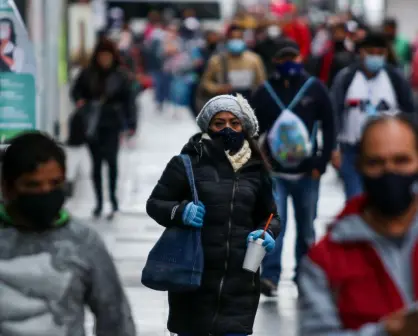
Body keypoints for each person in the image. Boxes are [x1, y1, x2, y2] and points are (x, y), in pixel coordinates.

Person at [146, 94, 281, 336]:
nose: (227, 128)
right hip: (193, 281)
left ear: (244, 127)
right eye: (219, 123)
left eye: (234, 122)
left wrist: (267, 232)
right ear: (208, 125)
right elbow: (156, 203)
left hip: (240, 285)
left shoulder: (256, 169)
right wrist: (180, 212)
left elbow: (271, 216)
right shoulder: (186, 162)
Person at [0, 131, 136, 335]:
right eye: (33, 185)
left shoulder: (83, 242)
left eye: (55, 183)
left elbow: (114, 319)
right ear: (7, 188)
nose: (45, 192)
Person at [299, 114, 418, 335]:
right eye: (376, 163)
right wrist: (387, 332)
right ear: (359, 166)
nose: (389, 171)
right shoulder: (325, 261)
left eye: (401, 160)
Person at [250, 38, 336, 296]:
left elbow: (330, 125)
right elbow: (253, 130)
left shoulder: (315, 88)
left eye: (293, 57)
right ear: (275, 61)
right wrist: (257, 164)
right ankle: (271, 277)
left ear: (301, 58)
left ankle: (305, 276)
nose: (289, 63)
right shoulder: (264, 91)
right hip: (275, 173)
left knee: (307, 227)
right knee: (276, 226)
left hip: (307, 172)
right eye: (283, 58)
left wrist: (322, 160)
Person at [331, 31, 415, 201]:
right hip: (352, 150)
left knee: (386, 199)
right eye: (371, 53)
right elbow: (334, 113)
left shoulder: (394, 78)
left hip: (387, 151)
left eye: (380, 53)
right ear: (361, 53)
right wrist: (334, 148)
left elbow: (410, 111)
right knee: (355, 199)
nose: (375, 57)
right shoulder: (347, 78)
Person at [71, 38, 135, 219]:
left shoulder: (121, 75)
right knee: (96, 164)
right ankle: (99, 202)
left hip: (112, 123)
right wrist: (80, 102)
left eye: (107, 56)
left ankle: (113, 200)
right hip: (93, 124)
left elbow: (129, 101)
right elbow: (76, 91)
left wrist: (131, 124)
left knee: (112, 162)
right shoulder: (87, 73)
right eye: (102, 56)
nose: (104, 59)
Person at [200, 25, 266, 103]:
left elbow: (262, 83)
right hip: (225, 103)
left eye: (239, 38)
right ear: (227, 39)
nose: (236, 41)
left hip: (248, 102)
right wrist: (217, 88)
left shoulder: (254, 59)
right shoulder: (217, 60)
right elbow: (205, 82)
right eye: (233, 38)